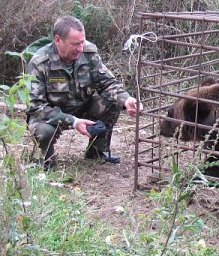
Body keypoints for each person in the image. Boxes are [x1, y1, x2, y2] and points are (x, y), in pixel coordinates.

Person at [26, 15, 141, 169]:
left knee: (112, 102)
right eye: (75, 44)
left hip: (82, 106)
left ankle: (97, 151)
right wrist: (74, 122)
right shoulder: (39, 63)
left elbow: (106, 82)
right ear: (58, 40)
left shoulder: (88, 52)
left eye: (82, 42)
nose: (80, 48)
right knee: (44, 131)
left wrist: (126, 100)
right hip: (53, 114)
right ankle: (46, 158)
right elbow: (36, 108)